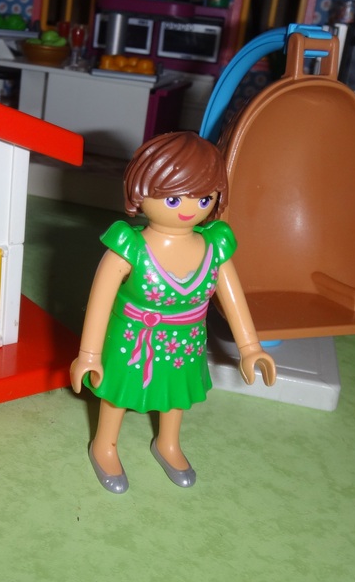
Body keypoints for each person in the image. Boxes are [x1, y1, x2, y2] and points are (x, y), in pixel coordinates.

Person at [69, 131, 276, 493]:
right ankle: (105, 445)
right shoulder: (129, 248)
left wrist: (250, 348)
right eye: (174, 198)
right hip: (133, 337)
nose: (188, 208)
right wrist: (88, 355)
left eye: (203, 198)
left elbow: (233, 299)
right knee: (117, 393)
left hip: (186, 339)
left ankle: (168, 443)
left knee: (176, 394)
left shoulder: (214, 247)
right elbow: (99, 301)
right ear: (140, 192)